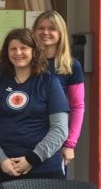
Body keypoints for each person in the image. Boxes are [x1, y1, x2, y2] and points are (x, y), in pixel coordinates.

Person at [0, 28, 68, 189]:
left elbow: (60, 129)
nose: (18, 53)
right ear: (6, 53)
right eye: (13, 48)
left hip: (44, 170)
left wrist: (32, 159)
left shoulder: (49, 83)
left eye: (24, 48)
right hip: (4, 170)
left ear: (34, 51)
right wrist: (1, 160)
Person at [33, 11, 85, 169]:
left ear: (60, 33)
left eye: (52, 28)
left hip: (56, 139)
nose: (45, 32)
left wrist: (70, 144)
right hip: (27, 134)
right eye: (41, 28)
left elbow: (77, 106)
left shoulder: (71, 66)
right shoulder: (26, 62)